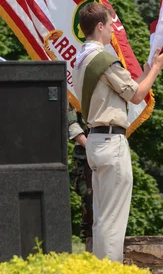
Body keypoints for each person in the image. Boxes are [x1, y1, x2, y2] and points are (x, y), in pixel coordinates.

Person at [72, 2, 163, 263]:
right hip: (110, 141)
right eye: (110, 24)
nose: (113, 30)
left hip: (94, 139)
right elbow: (138, 95)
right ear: (100, 26)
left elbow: (124, 88)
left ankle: (99, 268)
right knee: (113, 220)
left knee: (101, 217)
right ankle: (111, 269)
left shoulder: (81, 58)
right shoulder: (105, 59)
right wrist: (158, 68)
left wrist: (149, 69)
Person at [68, 104, 93, 251]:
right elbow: (71, 123)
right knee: (89, 203)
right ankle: (91, 246)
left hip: (110, 146)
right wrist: (90, 145)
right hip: (86, 154)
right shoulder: (72, 89)